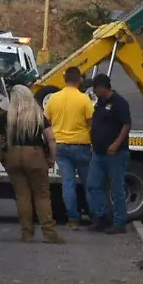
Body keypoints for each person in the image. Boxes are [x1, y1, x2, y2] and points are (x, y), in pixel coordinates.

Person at [0, 85, 64, 243]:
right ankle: (49, 233)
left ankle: (26, 233)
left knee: (22, 196)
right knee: (41, 195)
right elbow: (51, 139)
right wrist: (52, 158)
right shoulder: (37, 116)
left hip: (13, 155)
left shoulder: (6, 117)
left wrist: (3, 158)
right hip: (34, 154)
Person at [43, 66, 94, 229]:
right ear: (79, 80)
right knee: (89, 183)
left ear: (64, 80)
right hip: (81, 145)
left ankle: (72, 220)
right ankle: (95, 216)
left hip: (60, 146)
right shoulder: (84, 99)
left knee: (68, 183)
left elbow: (46, 121)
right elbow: (91, 122)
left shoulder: (53, 99)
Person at [85, 73, 131, 234]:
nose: (94, 93)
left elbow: (126, 124)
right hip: (98, 153)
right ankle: (102, 216)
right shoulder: (100, 103)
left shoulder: (119, 103)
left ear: (102, 87)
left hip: (115, 153)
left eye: (95, 89)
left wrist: (116, 144)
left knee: (117, 188)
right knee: (92, 184)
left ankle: (119, 223)